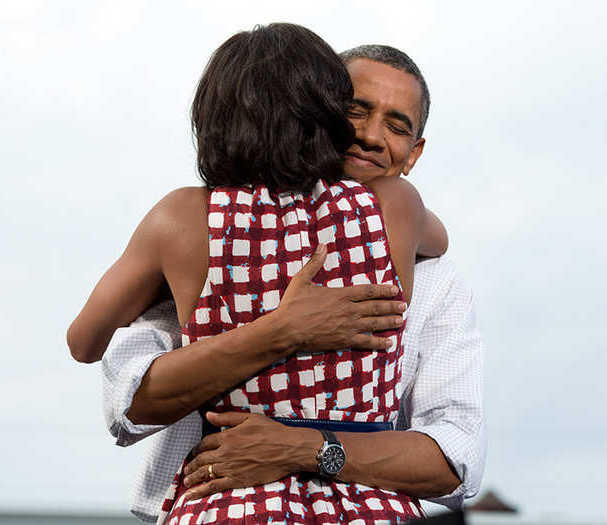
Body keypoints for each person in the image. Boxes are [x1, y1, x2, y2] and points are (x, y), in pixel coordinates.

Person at [77, 44, 484, 521]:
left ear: (413, 154)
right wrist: (285, 328)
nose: (372, 136)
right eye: (355, 111)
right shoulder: (214, 236)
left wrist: (306, 448)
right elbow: (130, 404)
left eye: (396, 126)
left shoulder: (201, 233)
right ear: (316, 114)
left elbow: (458, 458)